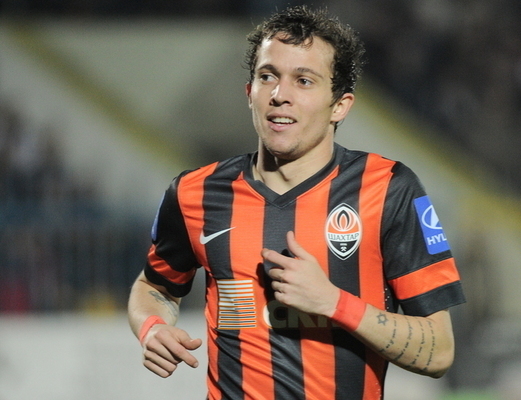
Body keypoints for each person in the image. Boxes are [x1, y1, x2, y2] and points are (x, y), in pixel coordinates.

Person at [128, 5, 466, 400]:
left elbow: (439, 351)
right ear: (249, 93)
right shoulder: (194, 193)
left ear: (339, 105)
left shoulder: (388, 188)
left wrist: (334, 302)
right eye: (267, 76)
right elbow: (154, 286)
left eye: (303, 81)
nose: (279, 95)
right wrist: (152, 327)